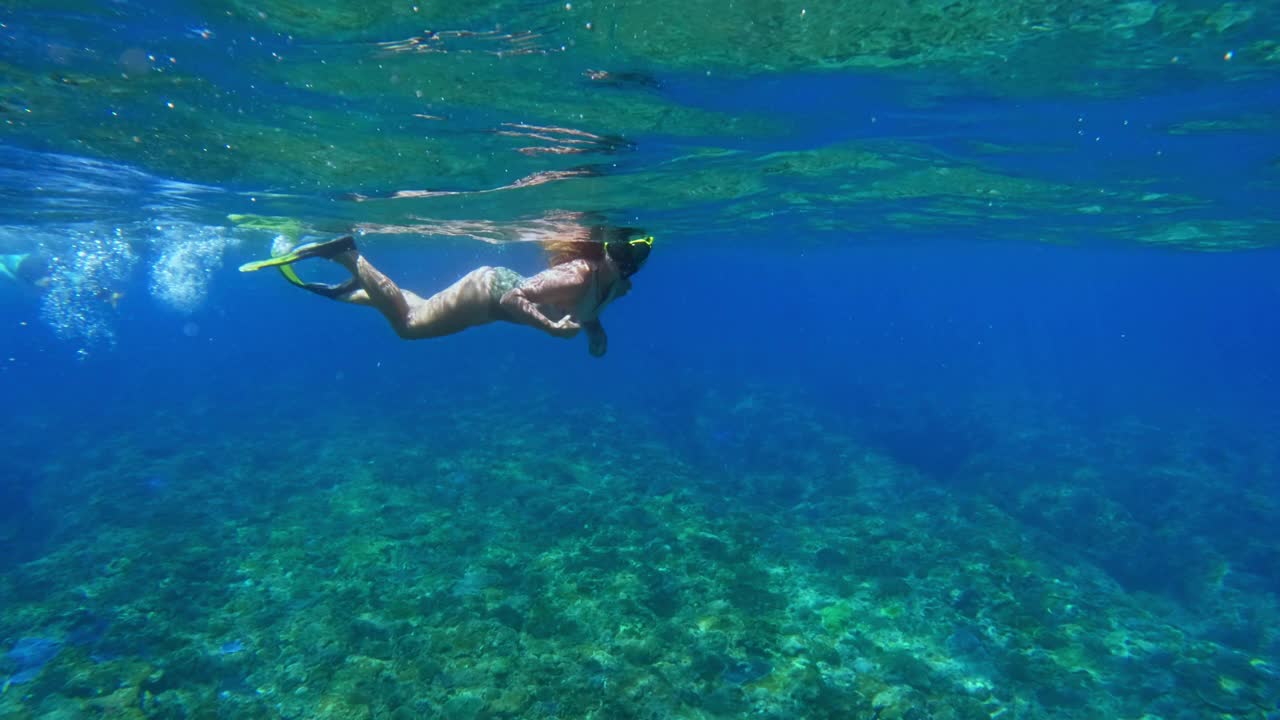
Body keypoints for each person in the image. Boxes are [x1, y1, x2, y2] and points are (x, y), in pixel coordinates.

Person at [239, 230, 652, 357]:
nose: (630, 263)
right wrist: (550, 329)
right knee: (410, 326)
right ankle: (348, 256)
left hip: (490, 299)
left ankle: (356, 289)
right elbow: (515, 297)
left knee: (417, 307)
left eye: (639, 254)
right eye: (624, 254)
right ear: (607, 252)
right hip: (491, 295)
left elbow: (590, 306)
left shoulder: (618, 283)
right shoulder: (578, 277)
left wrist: (593, 328)